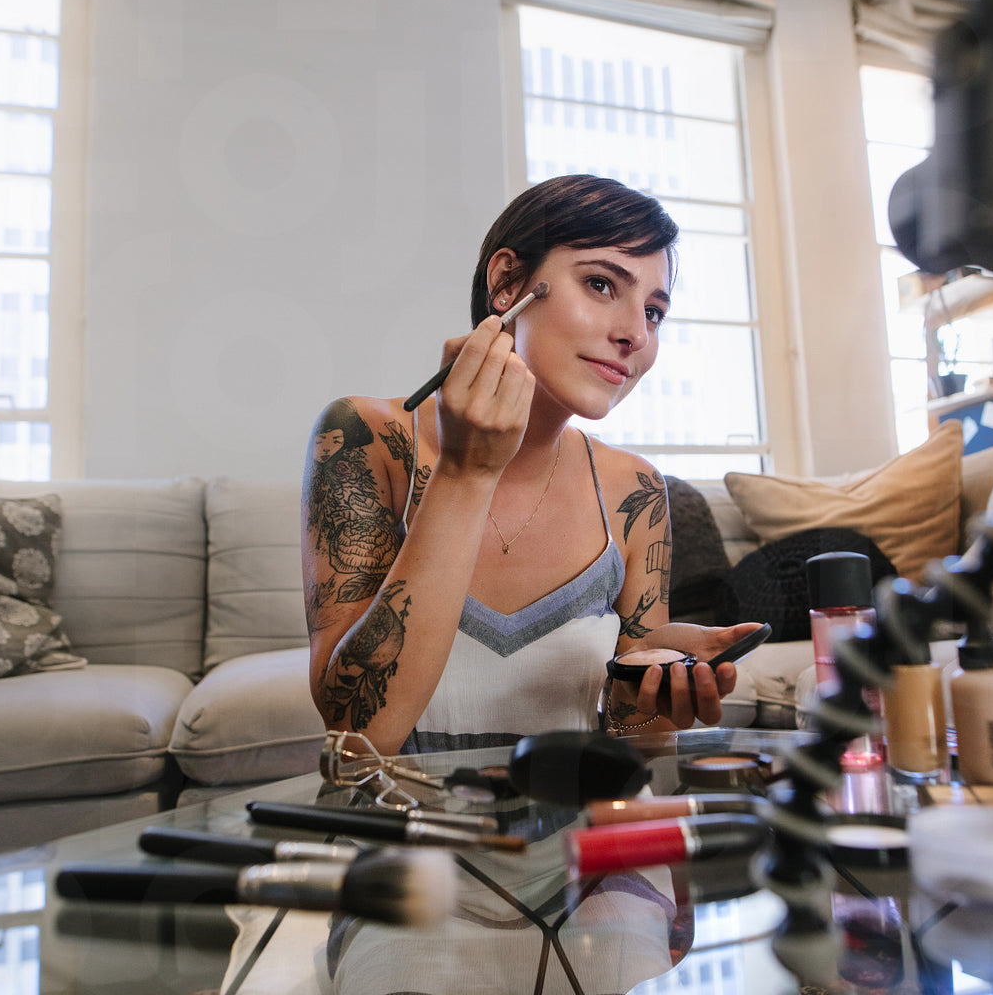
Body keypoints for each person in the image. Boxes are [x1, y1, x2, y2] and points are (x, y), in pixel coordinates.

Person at [302, 173, 761, 755]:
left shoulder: (635, 487)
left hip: (575, 814)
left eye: (653, 311)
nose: (635, 335)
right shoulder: (362, 436)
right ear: (507, 282)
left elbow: (636, 745)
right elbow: (357, 735)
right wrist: (467, 472)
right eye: (600, 284)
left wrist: (653, 693)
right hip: (407, 814)